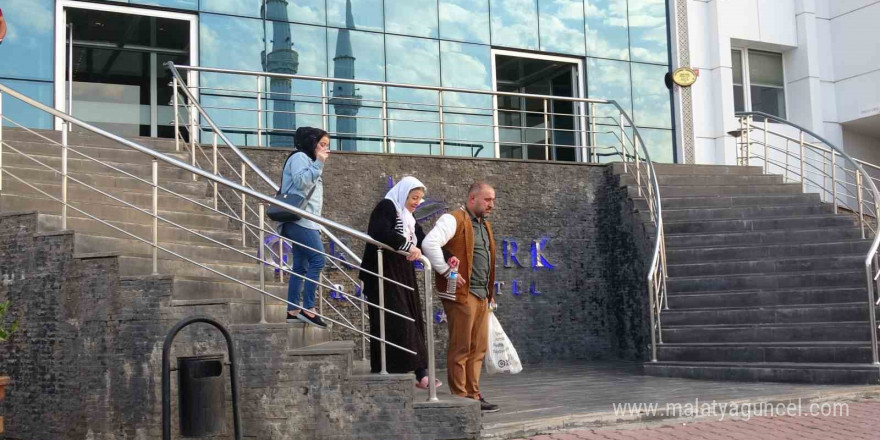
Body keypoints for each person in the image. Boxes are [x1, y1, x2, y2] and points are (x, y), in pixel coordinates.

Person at [422, 181, 499, 412]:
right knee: (461, 348)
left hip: (482, 296)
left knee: (478, 349)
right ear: (472, 199)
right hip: (462, 295)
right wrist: (445, 270)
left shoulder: (484, 226)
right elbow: (429, 243)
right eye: (487, 200)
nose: (491, 205)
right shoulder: (453, 218)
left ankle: (473, 395)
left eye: (493, 200)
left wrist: (490, 295)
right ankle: (460, 397)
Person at [359, 176, 441, 389]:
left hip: (402, 273)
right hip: (383, 272)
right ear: (403, 193)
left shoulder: (410, 220)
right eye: (413, 197)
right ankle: (409, 371)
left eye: (419, 199)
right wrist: (407, 246)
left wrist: (447, 256)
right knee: (398, 319)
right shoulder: (387, 207)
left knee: (411, 319)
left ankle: (416, 371)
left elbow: (423, 242)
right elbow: (380, 232)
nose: (416, 202)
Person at [279, 127, 330, 328]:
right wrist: (319, 162)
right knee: (318, 260)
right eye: (322, 144)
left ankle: (293, 310)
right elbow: (301, 183)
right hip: (300, 221)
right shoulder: (300, 157)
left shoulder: (308, 160)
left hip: (306, 220)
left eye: (327, 145)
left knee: (301, 266)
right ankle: (309, 309)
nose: (326, 150)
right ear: (311, 142)